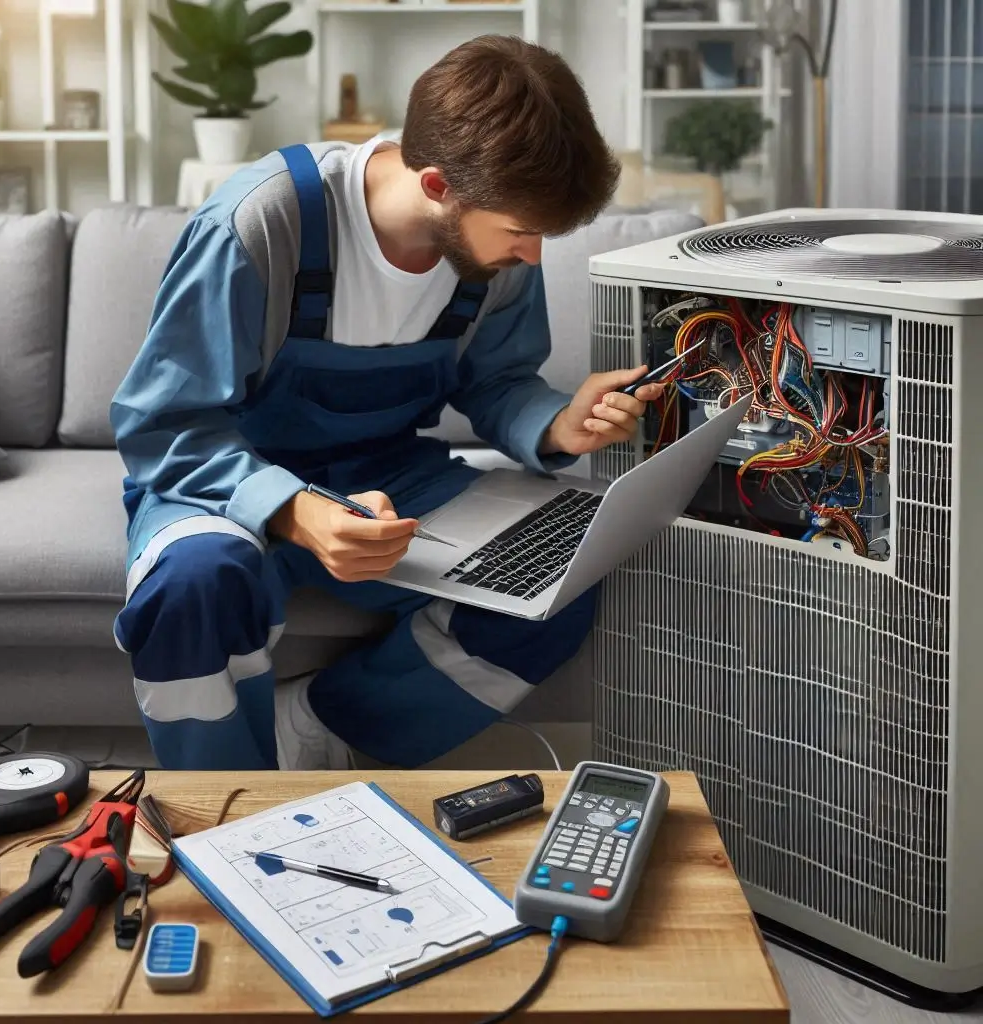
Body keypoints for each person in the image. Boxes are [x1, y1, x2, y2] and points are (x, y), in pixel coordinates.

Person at [110, 35, 663, 772]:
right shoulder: (260, 223)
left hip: (392, 474)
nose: (532, 257)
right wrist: (295, 509)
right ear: (437, 186)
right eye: (522, 232)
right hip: (227, 479)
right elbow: (164, 422)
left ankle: (315, 728)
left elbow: (498, 382)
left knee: (567, 575)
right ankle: (215, 803)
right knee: (194, 586)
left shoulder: (491, 255)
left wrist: (558, 422)